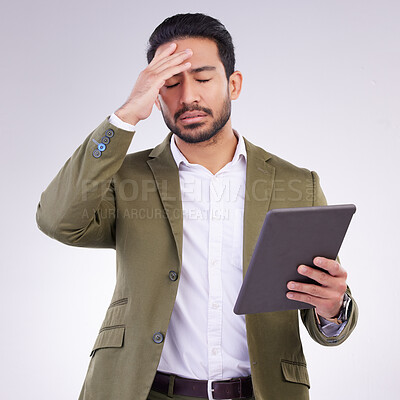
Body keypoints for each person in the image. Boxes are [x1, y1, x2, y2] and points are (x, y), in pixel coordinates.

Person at [36, 13, 358, 400]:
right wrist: (124, 117)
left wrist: (333, 308)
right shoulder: (125, 177)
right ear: (155, 96)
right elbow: (57, 220)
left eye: (203, 79)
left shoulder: (297, 185)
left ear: (233, 84)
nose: (187, 96)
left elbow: (320, 306)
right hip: (141, 391)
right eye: (170, 84)